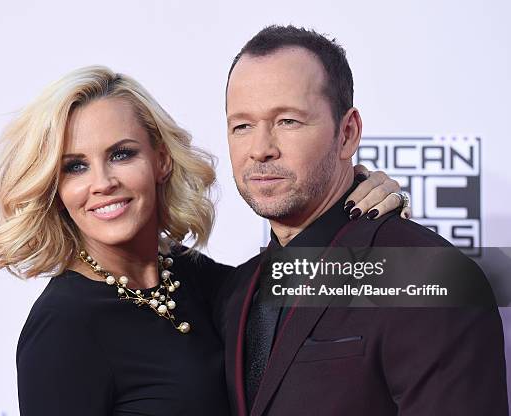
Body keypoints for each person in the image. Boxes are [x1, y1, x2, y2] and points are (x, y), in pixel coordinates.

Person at [0, 66, 405, 415]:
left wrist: (363, 195)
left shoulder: (200, 280)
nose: (103, 183)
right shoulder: (63, 326)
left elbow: (309, 283)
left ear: (161, 160)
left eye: (121, 154)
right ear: (56, 188)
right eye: (75, 167)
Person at [217, 25, 508, 416]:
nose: (260, 149)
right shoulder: (228, 292)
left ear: (348, 133)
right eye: (242, 125)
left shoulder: (428, 279)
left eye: (288, 121)